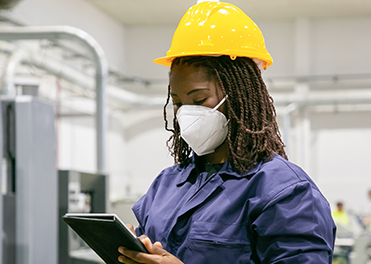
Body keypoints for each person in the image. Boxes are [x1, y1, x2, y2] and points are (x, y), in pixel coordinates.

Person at [118, 1, 336, 263]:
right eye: (177, 103)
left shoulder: (283, 191)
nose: (185, 113)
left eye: (199, 101)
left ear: (241, 97)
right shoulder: (166, 185)